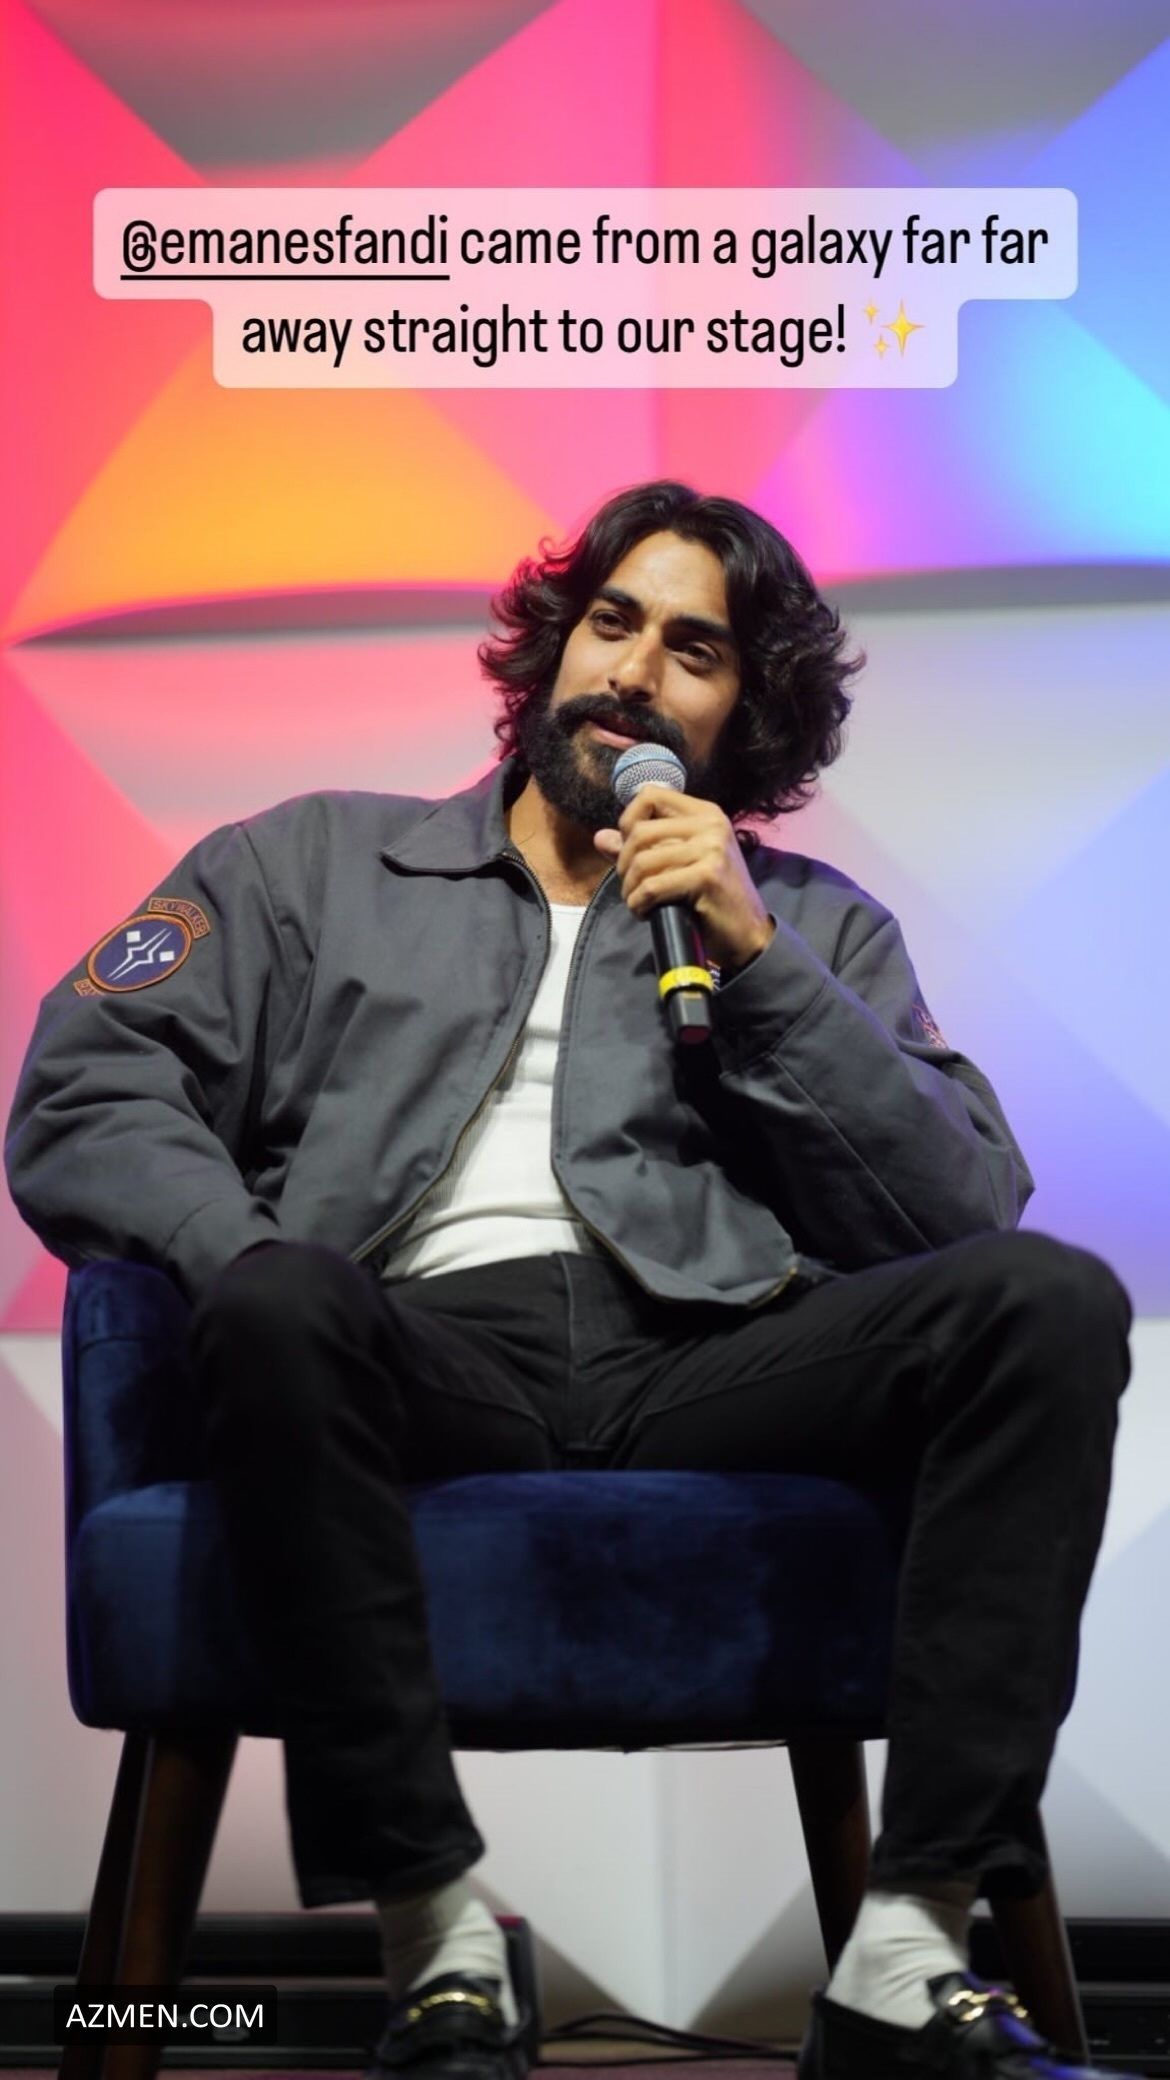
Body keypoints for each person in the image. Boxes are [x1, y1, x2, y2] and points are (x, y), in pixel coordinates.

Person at [5, 482, 1136, 2080]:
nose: (635, 671)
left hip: (711, 1360)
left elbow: (959, 1209)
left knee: (1051, 1298)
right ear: (553, 646)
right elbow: (86, 1088)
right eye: (612, 622)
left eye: (694, 651)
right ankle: (437, 1937)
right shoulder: (307, 864)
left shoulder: (809, 926)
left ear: (745, 717)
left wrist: (757, 965)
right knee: (272, 1301)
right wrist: (243, 1255)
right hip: (410, 1350)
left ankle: (905, 1947)